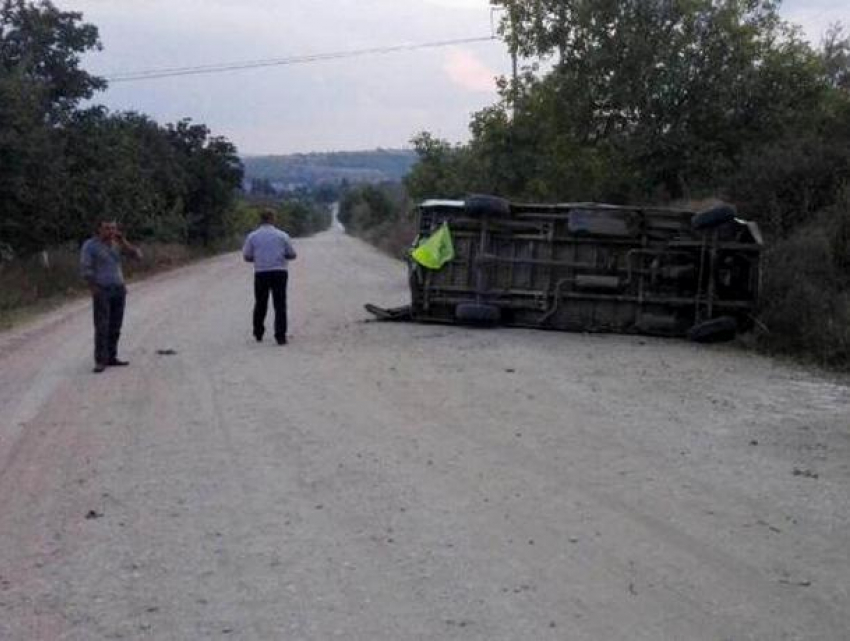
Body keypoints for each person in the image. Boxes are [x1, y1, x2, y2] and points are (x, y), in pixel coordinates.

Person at [80, 220, 142, 373]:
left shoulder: (117, 244)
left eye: (113, 228)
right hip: (102, 289)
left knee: (115, 326)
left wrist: (124, 241)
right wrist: (93, 288)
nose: (110, 231)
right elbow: (85, 268)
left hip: (118, 289)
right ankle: (100, 360)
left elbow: (138, 257)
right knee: (102, 326)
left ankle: (111, 356)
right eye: (107, 228)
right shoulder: (90, 246)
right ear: (99, 230)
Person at [242, 209, 296, 345]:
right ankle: (280, 336)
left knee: (260, 303)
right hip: (279, 272)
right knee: (280, 305)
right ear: (273, 219)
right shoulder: (282, 235)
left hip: (261, 272)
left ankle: (258, 332)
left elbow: (247, 256)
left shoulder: (252, 236)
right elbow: (292, 254)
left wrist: (259, 258)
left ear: (261, 219)